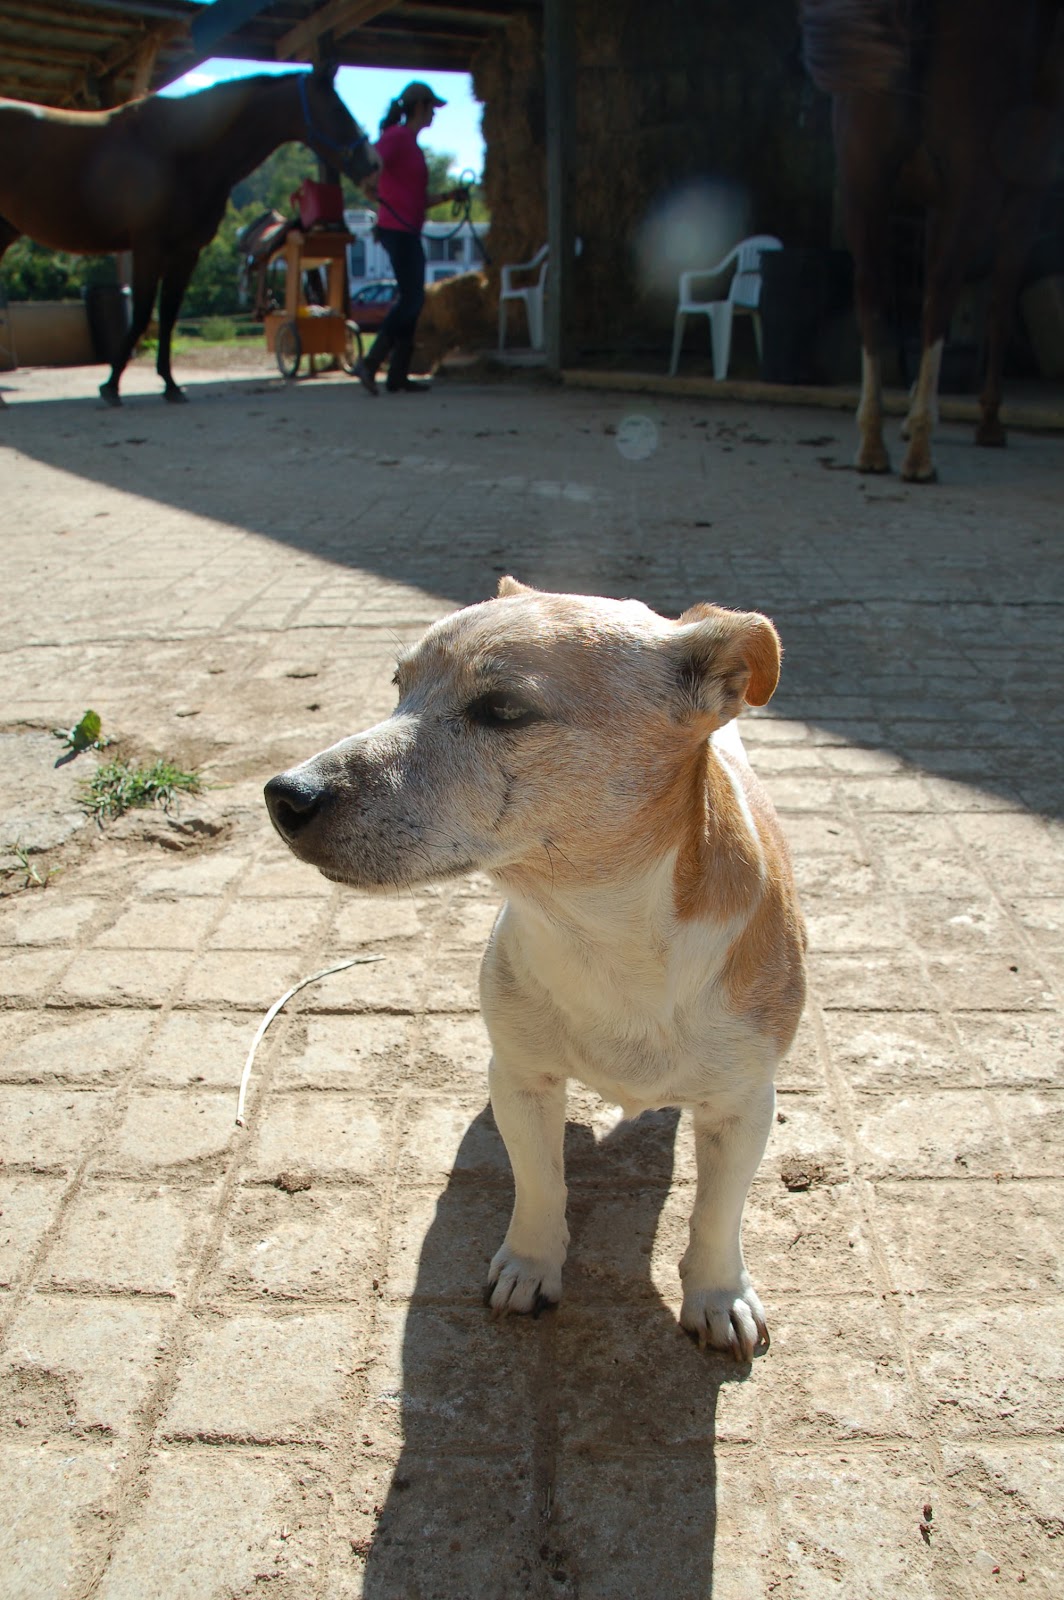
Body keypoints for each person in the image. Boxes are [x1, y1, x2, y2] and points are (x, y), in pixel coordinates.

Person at [354, 82, 461, 394]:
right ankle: (372, 361)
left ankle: (397, 374)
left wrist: (448, 196)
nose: (434, 115)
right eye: (431, 109)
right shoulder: (397, 138)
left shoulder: (411, 145)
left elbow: (415, 198)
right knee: (412, 297)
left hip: (407, 228)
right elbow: (372, 159)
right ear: (418, 107)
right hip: (396, 229)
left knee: (412, 299)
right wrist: (369, 183)